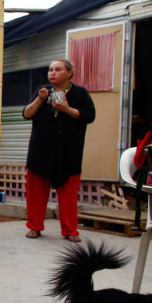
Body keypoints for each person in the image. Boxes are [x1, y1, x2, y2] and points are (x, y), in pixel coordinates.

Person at [22, 59, 96, 243]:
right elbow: (26, 114)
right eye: (50, 70)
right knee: (36, 193)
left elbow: (89, 115)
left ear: (70, 73)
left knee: (68, 195)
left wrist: (67, 109)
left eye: (57, 69)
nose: (52, 73)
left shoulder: (80, 93)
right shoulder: (43, 91)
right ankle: (34, 227)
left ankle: (70, 230)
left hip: (68, 153)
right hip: (40, 152)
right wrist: (40, 99)